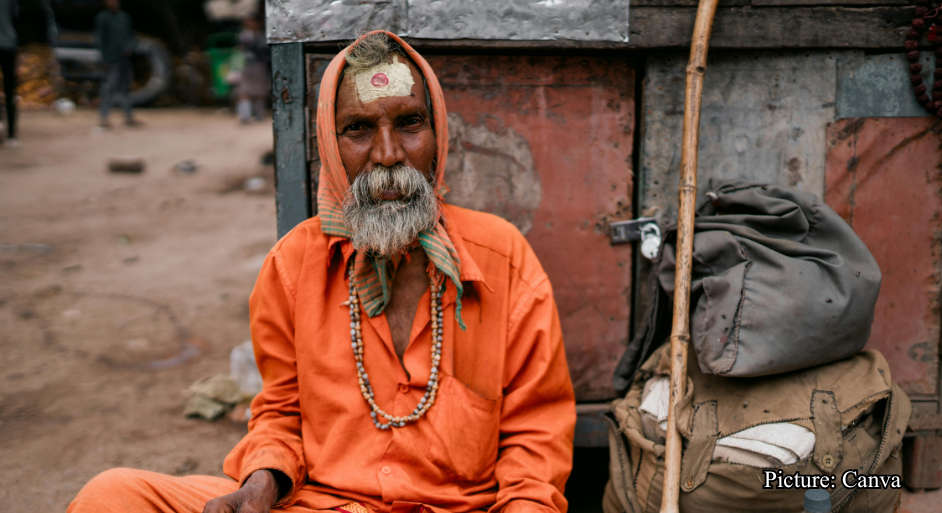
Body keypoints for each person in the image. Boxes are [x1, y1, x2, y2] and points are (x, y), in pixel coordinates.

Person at [68, 30, 576, 513]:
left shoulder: (502, 257)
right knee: (111, 496)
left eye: (409, 123)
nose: (388, 155)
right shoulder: (293, 264)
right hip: (321, 503)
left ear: (437, 133)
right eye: (359, 129)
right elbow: (280, 413)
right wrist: (260, 484)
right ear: (330, 147)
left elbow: (536, 440)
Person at [94, 0, 138, 128]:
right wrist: (104, 59)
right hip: (111, 59)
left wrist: (131, 47)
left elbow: (131, 35)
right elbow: (100, 40)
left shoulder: (124, 17)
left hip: (125, 58)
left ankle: (129, 116)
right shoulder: (102, 18)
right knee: (109, 87)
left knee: (125, 87)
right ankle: (104, 117)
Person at [235, 16, 269, 124]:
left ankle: (259, 114)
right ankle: (245, 115)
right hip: (246, 66)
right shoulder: (242, 36)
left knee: (260, 92)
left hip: (259, 66)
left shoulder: (261, 36)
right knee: (244, 91)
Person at [0, 0, 18, 146]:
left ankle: (11, 133)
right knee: (10, 90)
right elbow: (16, 17)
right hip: (8, 44)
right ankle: (11, 134)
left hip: (7, 44)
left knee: (10, 91)